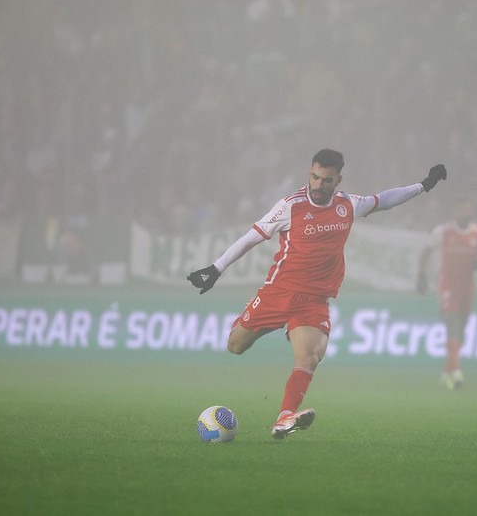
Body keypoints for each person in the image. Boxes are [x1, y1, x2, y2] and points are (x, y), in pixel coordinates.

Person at [188, 149, 446, 439]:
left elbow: (383, 200)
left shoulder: (347, 204)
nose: (318, 185)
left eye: (325, 180)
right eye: (314, 177)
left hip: (314, 301)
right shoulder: (290, 206)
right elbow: (252, 236)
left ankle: (284, 417)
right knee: (235, 345)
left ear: (338, 179)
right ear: (309, 173)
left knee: (310, 356)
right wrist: (216, 268)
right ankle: (251, 312)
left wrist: (422, 186)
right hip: (279, 291)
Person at [417, 198, 477, 389]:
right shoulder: (442, 232)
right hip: (447, 286)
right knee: (452, 325)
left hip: (467, 288)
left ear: (472, 212)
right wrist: (421, 274)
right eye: (460, 210)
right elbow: (426, 251)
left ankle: (446, 371)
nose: (463, 213)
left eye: (467, 210)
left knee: (461, 331)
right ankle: (456, 372)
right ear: (454, 212)